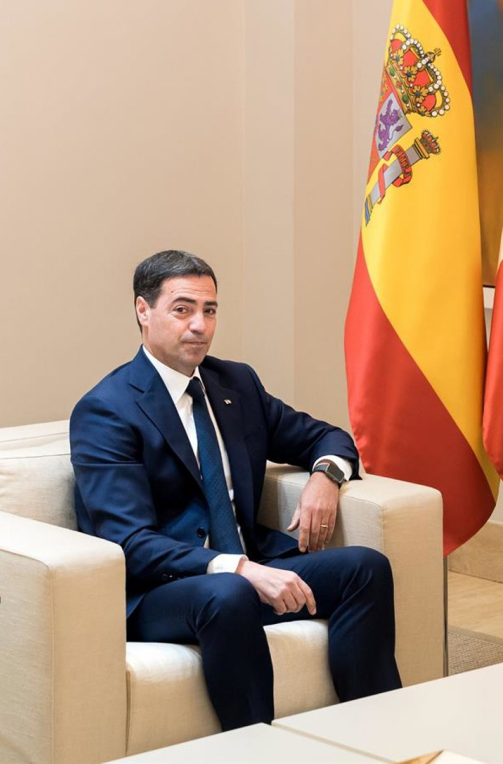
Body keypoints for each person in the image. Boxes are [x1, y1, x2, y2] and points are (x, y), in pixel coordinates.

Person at [71, 250, 401, 730]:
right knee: (228, 593)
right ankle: (255, 748)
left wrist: (325, 478)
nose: (199, 325)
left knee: (365, 568)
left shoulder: (235, 384)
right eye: (182, 309)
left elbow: (326, 437)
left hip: (248, 569)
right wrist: (240, 568)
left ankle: (376, 734)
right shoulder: (107, 410)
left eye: (209, 310)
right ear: (143, 310)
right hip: (162, 592)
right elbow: (130, 542)